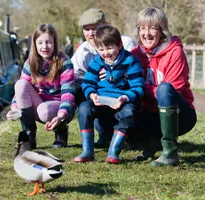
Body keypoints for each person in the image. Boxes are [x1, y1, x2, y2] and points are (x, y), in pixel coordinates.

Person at [131, 7, 197, 166]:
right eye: (142, 28)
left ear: (162, 30)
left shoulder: (175, 52)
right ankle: (150, 143)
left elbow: (173, 89)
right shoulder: (134, 54)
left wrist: (142, 87)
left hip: (179, 115)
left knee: (164, 88)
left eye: (152, 28)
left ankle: (170, 152)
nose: (146, 33)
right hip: (148, 113)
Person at [73, 25, 144, 163]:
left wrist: (125, 97)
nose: (106, 53)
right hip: (100, 98)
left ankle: (114, 151)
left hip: (121, 99)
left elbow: (138, 87)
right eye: (101, 49)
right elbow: (88, 83)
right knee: (84, 108)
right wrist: (92, 95)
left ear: (120, 45)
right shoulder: (96, 60)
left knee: (129, 112)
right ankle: (87, 151)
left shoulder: (130, 61)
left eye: (109, 48)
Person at [6, 23, 76, 149]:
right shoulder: (30, 62)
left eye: (48, 42)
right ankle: (29, 139)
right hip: (39, 103)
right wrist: (15, 107)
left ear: (55, 42)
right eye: (40, 43)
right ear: (34, 44)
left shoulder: (64, 62)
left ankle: (61, 132)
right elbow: (21, 90)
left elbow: (68, 93)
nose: (45, 46)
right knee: (21, 84)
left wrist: (61, 115)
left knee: (45, 111)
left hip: (59, 107)